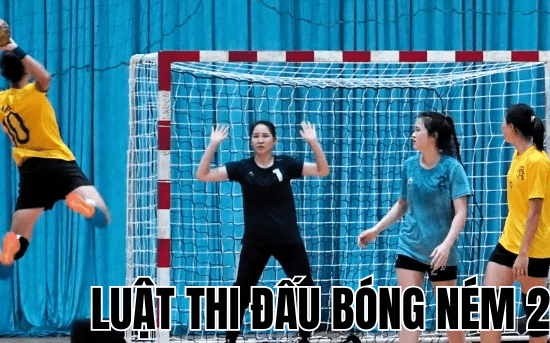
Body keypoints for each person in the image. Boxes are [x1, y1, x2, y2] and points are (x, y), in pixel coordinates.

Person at [0, 38, 111, 267]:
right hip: (59, 163)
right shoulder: (34, 91)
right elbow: (45, 77)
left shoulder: (1, 101)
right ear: (27, 70)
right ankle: (85, 205)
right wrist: (14, 47)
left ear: (3, 73)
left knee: (19, 238)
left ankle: (11, 249)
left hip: (31, 172)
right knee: (102, 214)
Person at [195, 120, 330, 343]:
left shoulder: (286, 164)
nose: (260, 140)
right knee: (241, 291)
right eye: (256, 136)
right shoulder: (242, 168)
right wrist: (213, 144)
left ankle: (304, 337)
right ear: (250, 141)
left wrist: (313, 142)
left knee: (305, 288)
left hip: (288, 240)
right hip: (255, 242)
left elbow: (323, 170)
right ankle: (230, 339)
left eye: (265, 136)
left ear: (274, 140)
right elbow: (203, 175)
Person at [358, 111, 470, 343]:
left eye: (418, 130)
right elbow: (402, 204)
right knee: (409, 320)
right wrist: (376, 230)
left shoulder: (452, 168)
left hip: (440, 254)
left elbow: (461, 213)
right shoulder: (409, 165)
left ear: (433, 136)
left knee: (453, 325)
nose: (412, 134)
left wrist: (446, 245)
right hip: (409, 248)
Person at [480, 104, 550, 343]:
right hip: (509, 242)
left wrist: (523, 254)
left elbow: (535, 211)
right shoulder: (518, 155)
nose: (501, 126)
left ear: (512, 127)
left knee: (535, 315)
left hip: (532, 249)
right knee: (490, 307)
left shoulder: (537, 160)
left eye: (504, 122)